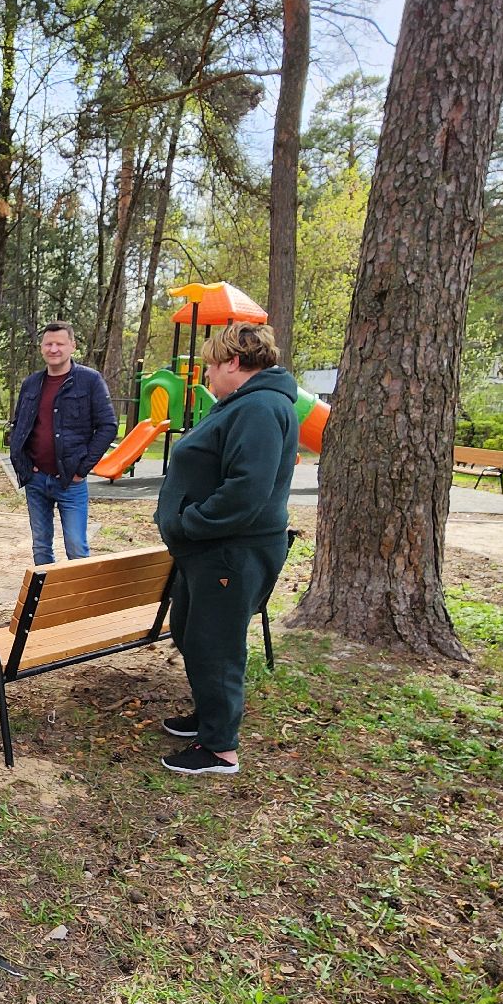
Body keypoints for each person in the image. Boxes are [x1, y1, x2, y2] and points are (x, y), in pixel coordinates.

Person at [152, 323, 298, 776]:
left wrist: (190, 522)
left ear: (234, 362)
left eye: (213, 366)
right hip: (209, 551)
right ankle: (209, 717)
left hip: (229, 551)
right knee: (191, 631)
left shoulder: (259, 407)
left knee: (217, 645)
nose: (208, 376)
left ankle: (219, 749)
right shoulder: (244, 404)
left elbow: (246, 491)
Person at [7, 321, 117, 565]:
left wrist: (82, 468)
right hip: (36, 480)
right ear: (41, 348)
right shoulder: (31, 384)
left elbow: (108, 426)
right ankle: (47, 601)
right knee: (41, 546)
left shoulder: (89, 381)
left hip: (71, 482)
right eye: (48, 344)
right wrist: (24, 464)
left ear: (72, 346)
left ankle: (79, 601)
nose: (53, 349)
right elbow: (18, 425)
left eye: (60, 343)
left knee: (77, 547)